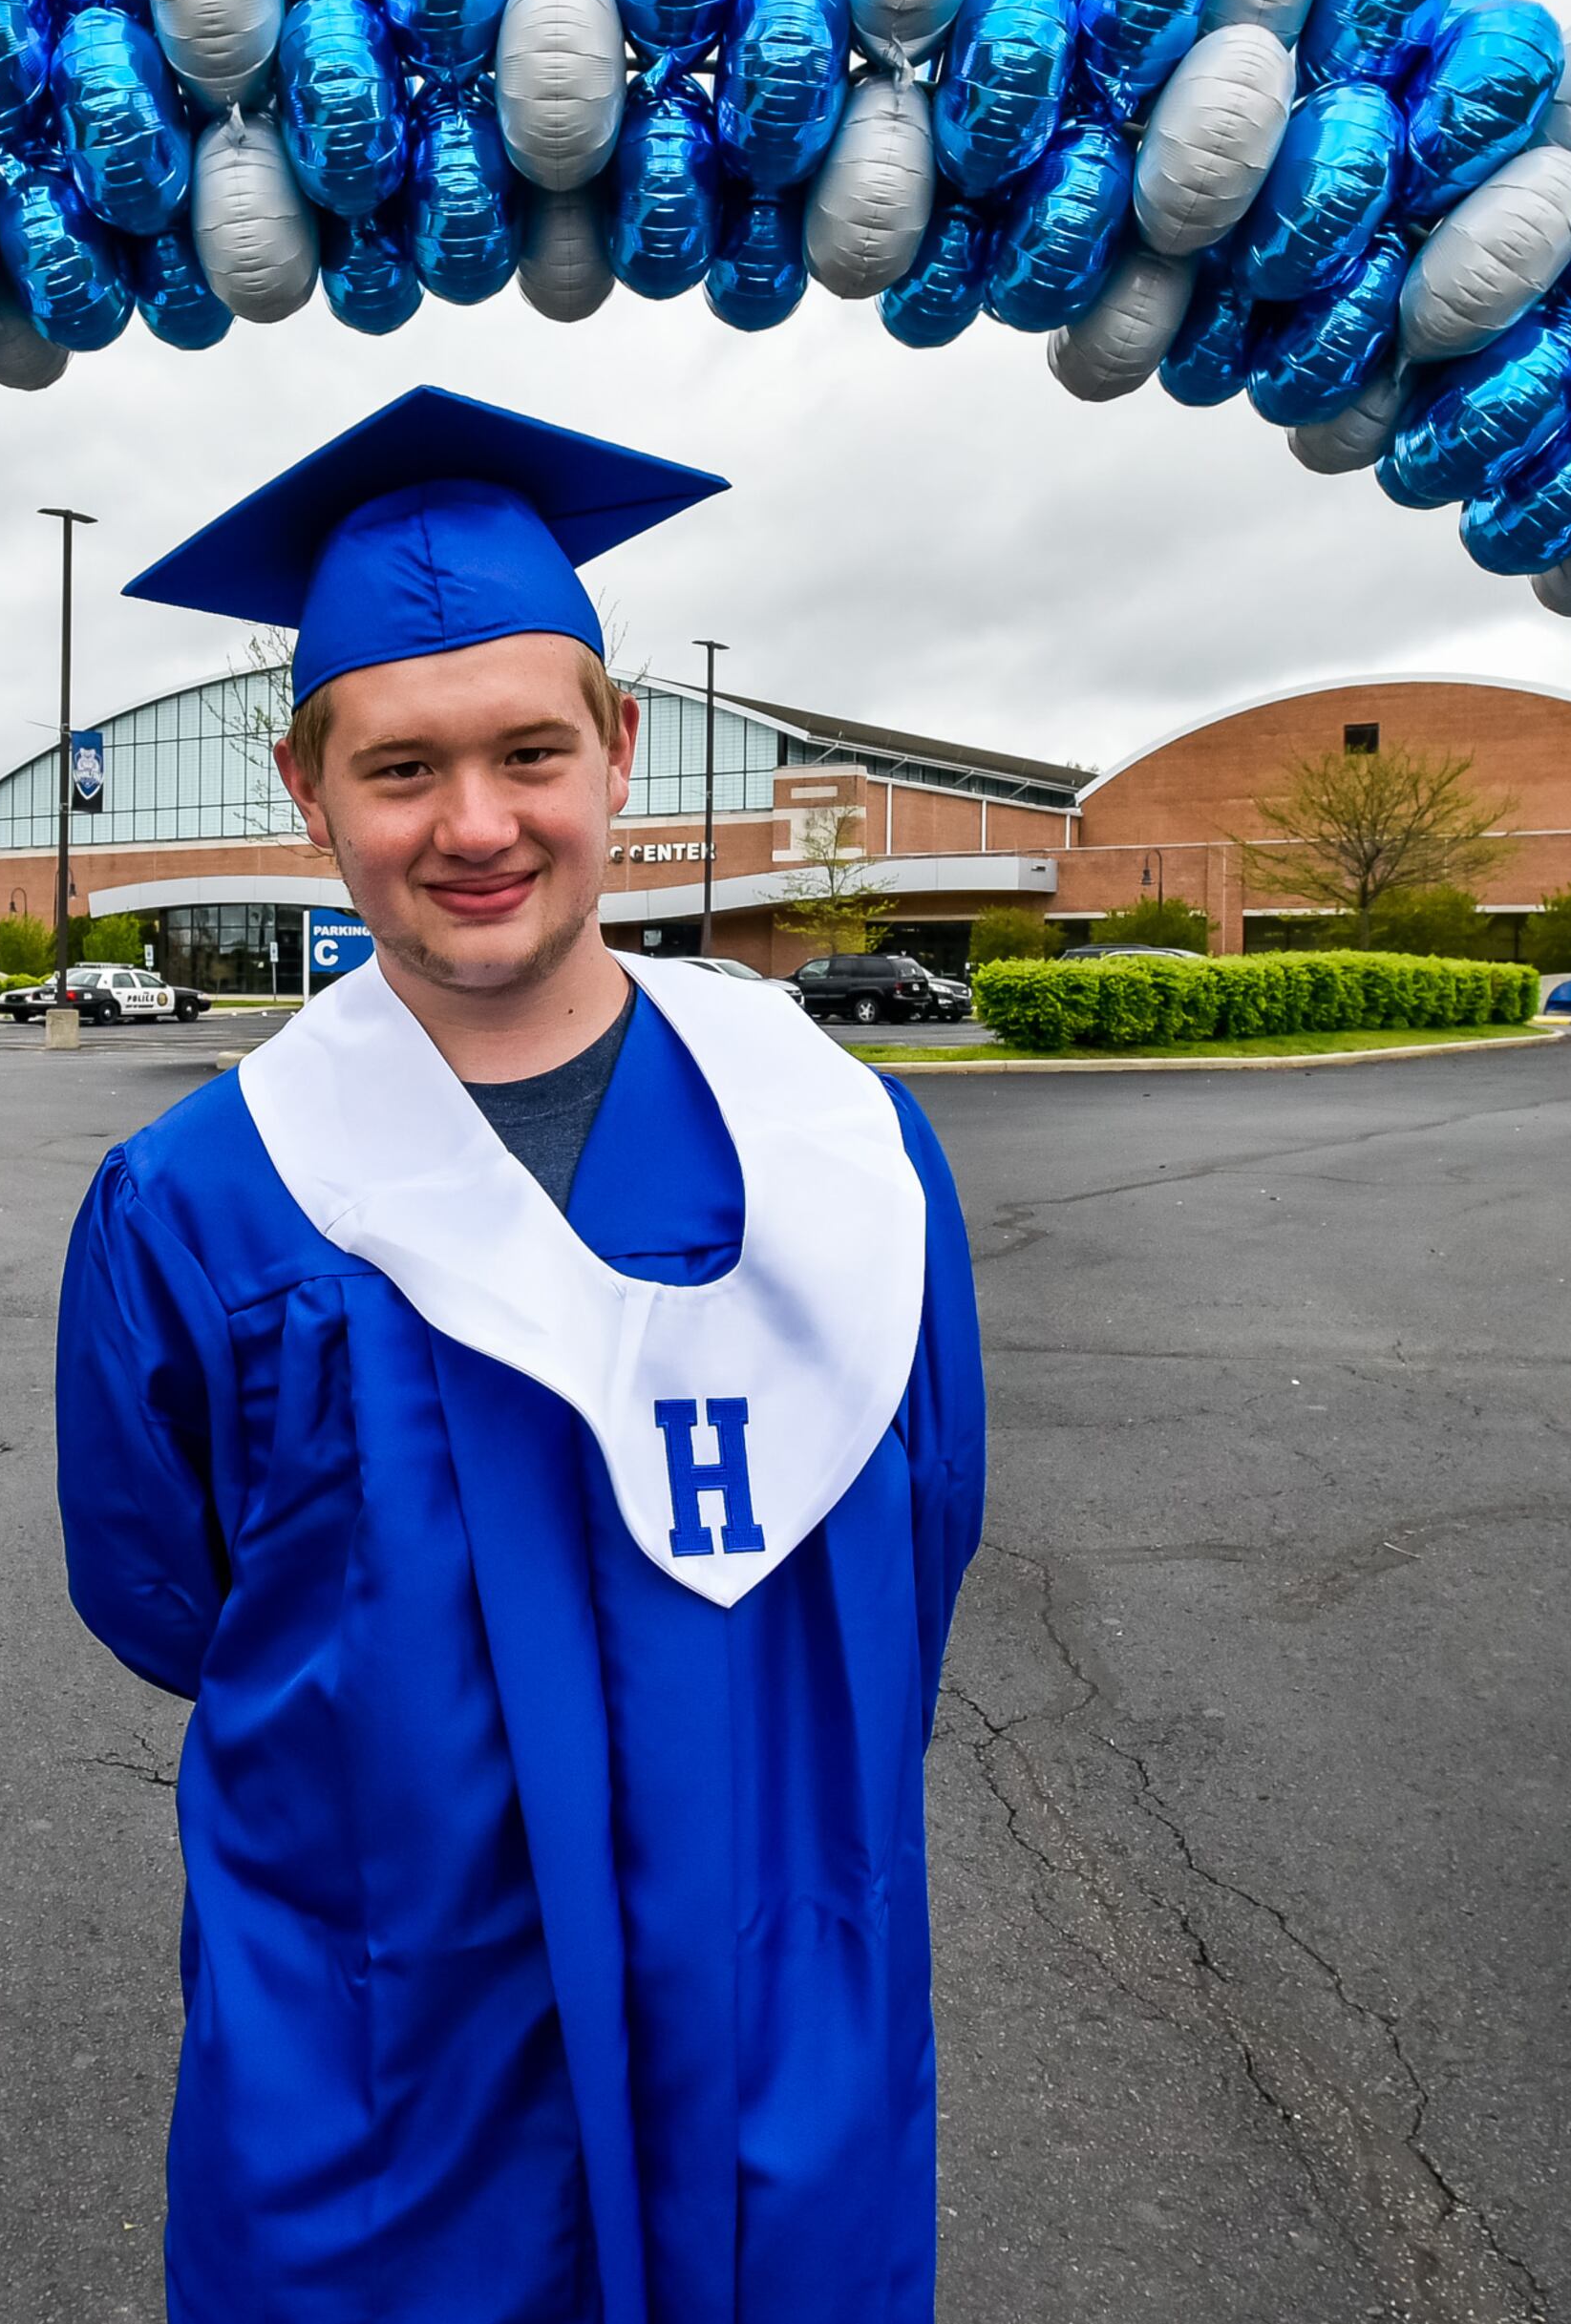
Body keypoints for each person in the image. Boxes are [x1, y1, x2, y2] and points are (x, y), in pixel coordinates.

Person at [57, 386, 987, 2323]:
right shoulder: (204, 1206)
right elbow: (166, 1604)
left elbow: (922, 1526)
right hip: (387, 2049)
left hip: (776, 2008)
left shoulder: (838, 1152)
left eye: (529, 752)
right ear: (306, 795)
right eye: (399, 772)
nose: (474, 826)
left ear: (621, 750)